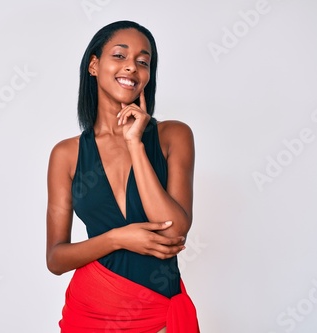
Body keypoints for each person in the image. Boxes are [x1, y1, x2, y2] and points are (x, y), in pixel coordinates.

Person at [46, 20, 200, 332]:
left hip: (158, 315)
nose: (131, 67)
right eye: (120, 56)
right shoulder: (66, 155)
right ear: (94, 64)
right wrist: (117, 238)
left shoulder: (174, 136)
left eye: (143, 62)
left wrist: (135, 144)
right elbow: (56, 258)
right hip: (88, 315)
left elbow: (172, 233)